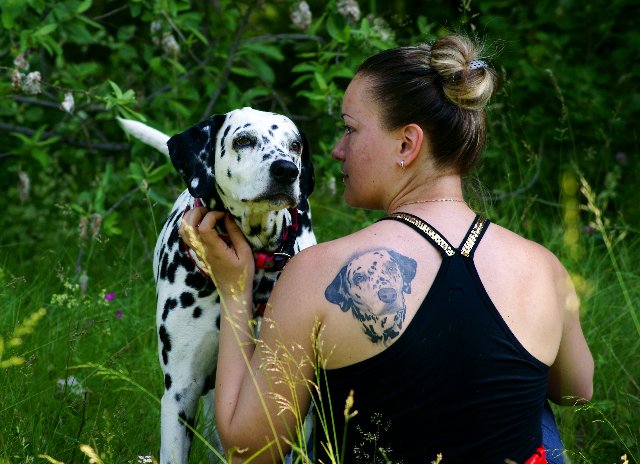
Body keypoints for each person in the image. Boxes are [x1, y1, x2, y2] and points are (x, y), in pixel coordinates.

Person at [179, 33, 594, 464]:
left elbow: (251, 451)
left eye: (349, 129)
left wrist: (233, 290)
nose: (337, 151)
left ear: (406, 145)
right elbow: (577, 390)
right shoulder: (542, 267)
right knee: (533, 407)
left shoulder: (316, 273)